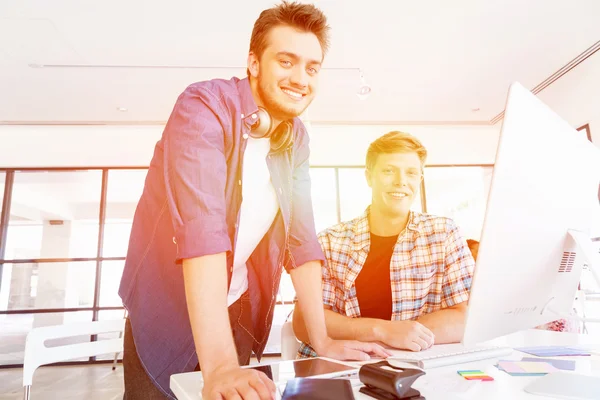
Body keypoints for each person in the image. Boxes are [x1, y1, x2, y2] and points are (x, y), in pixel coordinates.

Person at [118, 2, 387, 399]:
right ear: (254, 63)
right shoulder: (203, 108)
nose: (301, 78)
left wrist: (323, 341)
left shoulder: (296, 138)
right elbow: (202, 230)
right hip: (166, 310)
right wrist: (221, 366)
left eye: (312, 68)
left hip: (237, 307)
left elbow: (303, 241)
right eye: (286, 61)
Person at [292, 131, 476, 358]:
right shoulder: (330, 241)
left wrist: (407, 337)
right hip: (342, 366)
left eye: (411, 173)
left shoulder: (444, 233)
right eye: (389, 171)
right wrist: (383, 331)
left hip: (414, 367)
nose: (401, 181)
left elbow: (466, 315)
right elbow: (302, 323)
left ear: (419, 179)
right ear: (369, 177)